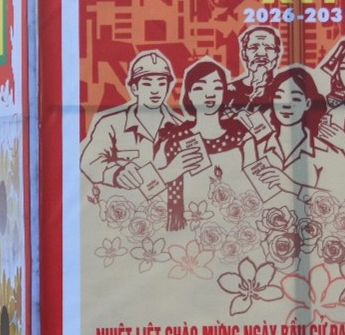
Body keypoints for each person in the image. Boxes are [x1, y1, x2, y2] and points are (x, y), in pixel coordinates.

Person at [155, 58, 256, 232]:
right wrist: (171, 171)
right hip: (186, 230)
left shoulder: (242, 136)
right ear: (188, 94)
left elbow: (257, 188)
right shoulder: (173, 140)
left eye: (217, 87)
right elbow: (147, 190)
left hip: (235, 227)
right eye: (199, 88)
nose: (209, 94)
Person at [80, 50, 184, 196]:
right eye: (147, 84)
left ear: (167, 87)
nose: (155, 90)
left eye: (161, 83)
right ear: (135, 88)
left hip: (170, 205)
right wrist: (115, 173)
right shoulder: (110, 123)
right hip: (123, 205)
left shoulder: (181, 126)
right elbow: (89, 162)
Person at [248, 65, 331, 203]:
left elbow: (336, 199)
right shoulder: (255, 146)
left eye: (296, 99)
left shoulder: (323, 150)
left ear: (307, 103)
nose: (286, 105)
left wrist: (293, 187)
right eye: (279, 97)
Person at [226, 25, 283, 118]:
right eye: (253, 47)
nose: (261, 53)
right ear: (244, 53)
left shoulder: (284, 88)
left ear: (277, 53)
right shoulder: (230, 90)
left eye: (268, 48)